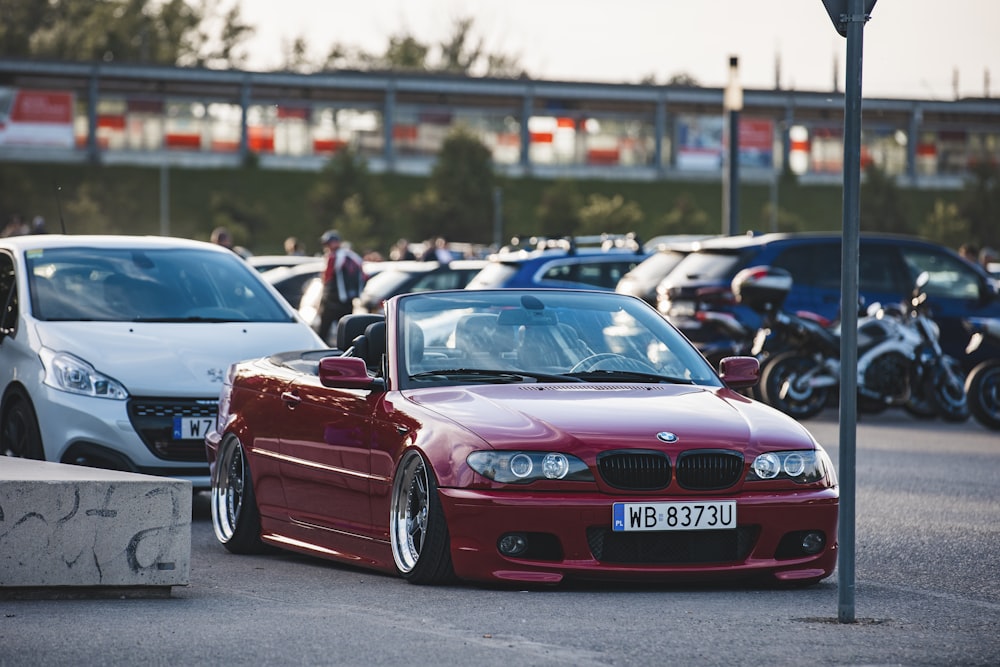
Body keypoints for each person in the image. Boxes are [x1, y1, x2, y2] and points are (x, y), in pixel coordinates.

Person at [317, 229, 365, 343]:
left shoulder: (335, 257)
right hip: (347, 300)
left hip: (332, 300)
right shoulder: (352, 256)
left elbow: (327, 277)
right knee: (346, 332)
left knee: (323, 333)